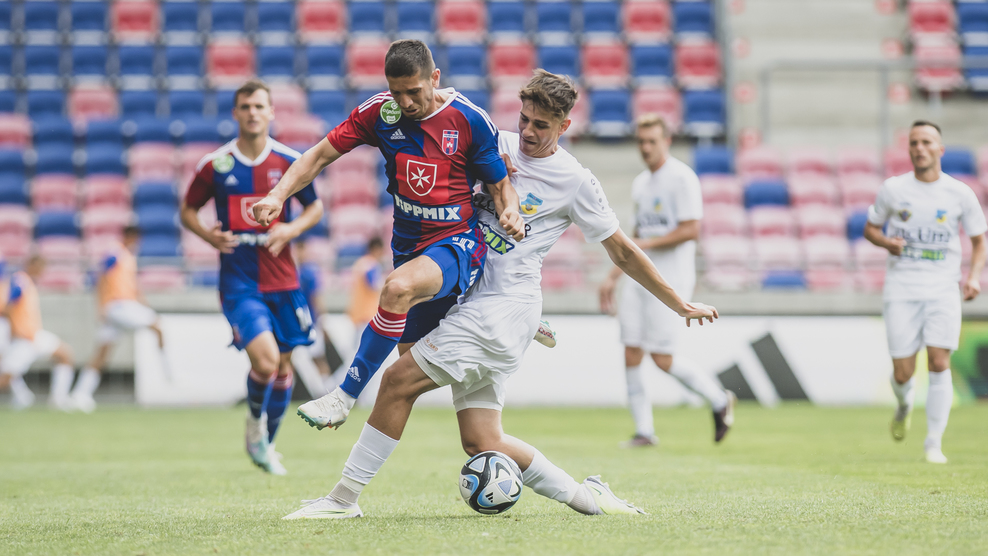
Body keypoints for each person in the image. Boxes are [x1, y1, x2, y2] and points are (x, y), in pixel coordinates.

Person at [283, 70, 718, 520]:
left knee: (397, 382)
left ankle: (342, 500)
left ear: (564, 126)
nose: (528, 132)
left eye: (541, 125)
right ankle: (590, 498)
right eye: (524, 119)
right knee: (482, 440)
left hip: (500, 311)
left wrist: (678, 303)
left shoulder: (575, 180)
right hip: (469, 301)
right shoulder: (494, 142)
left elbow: (623, 251)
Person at [251, 40, 524, 428]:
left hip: (457, 242)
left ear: (434, 78)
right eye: (397, 92)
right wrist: (278, 195)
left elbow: (500, 186)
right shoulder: (381, 112)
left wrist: (511, 210)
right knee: (404, 374)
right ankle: (498, 319)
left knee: (396, 289)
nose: (406, 102)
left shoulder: (467, 119)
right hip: (409, 247)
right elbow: (319, 155)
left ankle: (342, 397)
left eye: (414, 91)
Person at [179, 79, 325, 475]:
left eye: (259, 106)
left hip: (285, 281)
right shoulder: (216, 164)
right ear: (235, 113)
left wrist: (290, 230)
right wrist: (208, 235)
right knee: (266, 362)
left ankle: (266, 444)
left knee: (283, 368)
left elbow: (314, 207)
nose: (252, 113)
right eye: (245, 107)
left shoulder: (289, 161)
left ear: (271, 112)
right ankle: (254, 427)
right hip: (240, 282)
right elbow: (188, 211)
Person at [599, 115, 735, 447]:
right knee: (631, 351)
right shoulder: (641, 183)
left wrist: (646, 243)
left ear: (667, 141)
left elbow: (691, 230)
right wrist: (613, 275)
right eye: (641, 141)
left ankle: (719, 399)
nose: (645, 148)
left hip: (670, 279)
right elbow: (635, 237)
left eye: (652, 141)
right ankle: (644, 431)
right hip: (638, 279)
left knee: (662, 358)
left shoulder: (682, 178)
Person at [864, 120, 986, 464]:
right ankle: (904, 404)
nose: (920, 148)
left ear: (940, 149)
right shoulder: (893, 189)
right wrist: (887, 243)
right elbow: (870, 229)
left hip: (943, 288)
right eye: (914, 143)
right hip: (901, 289)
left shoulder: (959, 193)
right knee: (903, 373)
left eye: (927, 142)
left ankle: (934, 443)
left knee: (938, 362)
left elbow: (979, 241)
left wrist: (974, 277)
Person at [72, 226, 163, 413]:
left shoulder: (129, 258)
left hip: (121, 307)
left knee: (102, 353)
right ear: (130, 236)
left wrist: (144, 304)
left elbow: (134, 287)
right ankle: (167, 374)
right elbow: (101, 277)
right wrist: (101, 305)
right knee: (157, 326)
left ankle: (80, 394)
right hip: (119, 306)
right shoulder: (116, 253)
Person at [0, 256, 76, 411]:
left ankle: (58, 399)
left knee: (64, 354)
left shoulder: (27, 281)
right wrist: (11, 324)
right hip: (23, 339)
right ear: (32, 265)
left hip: (34, 335)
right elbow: (9, 304)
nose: (42, 271)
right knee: (5, 380)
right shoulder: (21, 280)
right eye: (40, 267)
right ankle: (28, 398)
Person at [295, 240, 333, 388]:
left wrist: (322, 319)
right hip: (299, 322)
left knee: (317, 357)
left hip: (310, 322)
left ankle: (327, 389)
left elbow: (316, 297)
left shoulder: (308, 272)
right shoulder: (295, 271)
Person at [346, 237, 386, 347]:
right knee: (365, 347)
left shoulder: (360, 263)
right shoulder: (371, 265)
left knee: (356, 347)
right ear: (376, 249)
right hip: (368, 313)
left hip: (358, 310)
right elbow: (373, 285)